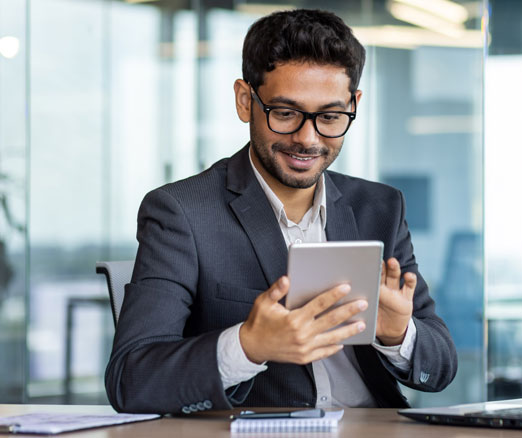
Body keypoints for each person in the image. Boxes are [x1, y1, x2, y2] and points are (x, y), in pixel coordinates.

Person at [105, 9, 457, 414]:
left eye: (329, 116)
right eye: (285, 113)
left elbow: (442, 366)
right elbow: (130, 380)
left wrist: (398, 336)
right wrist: (247, 346)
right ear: (245, 100)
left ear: (353, 105)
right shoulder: (182, 212)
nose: (307, 139)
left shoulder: (380, 207)